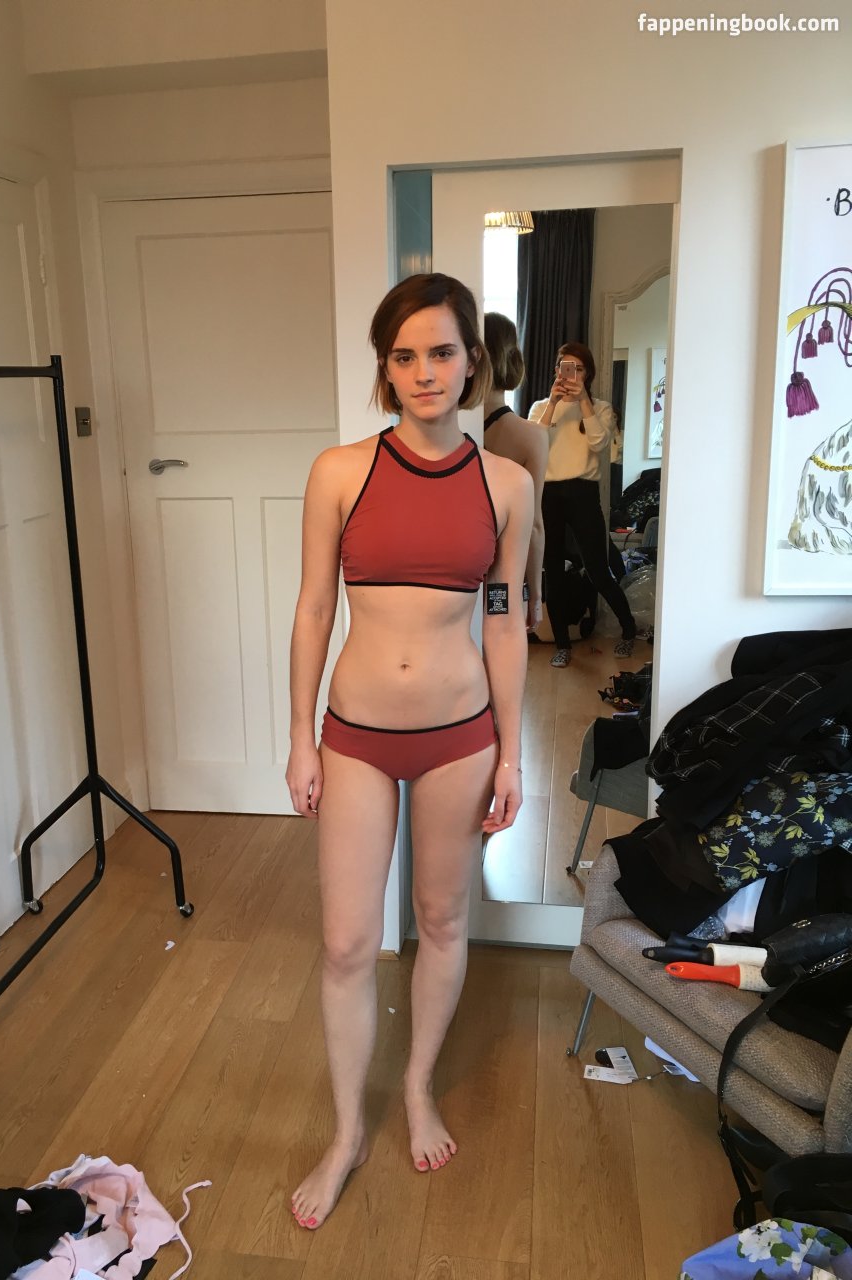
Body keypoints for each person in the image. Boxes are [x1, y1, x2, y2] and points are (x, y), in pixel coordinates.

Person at [285, 273, 534, 1230]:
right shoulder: (339, 471)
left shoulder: (506, 485)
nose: (424, 372)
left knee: (440, 920)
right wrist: (300, 738)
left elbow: (504, 619)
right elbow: (314, 609)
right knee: (347, 942)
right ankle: (348, 1129)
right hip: (353, 738)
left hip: (460, 739)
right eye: (404, 356)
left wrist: (511, 755)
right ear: (385, 369)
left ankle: (419, 1086)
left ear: (473, 362)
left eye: (441, 352)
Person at [528, 342, 637, 668]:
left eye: (577, 368)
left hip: (583, 492)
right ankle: (562, 644)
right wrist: (553, 403)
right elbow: (533, 444)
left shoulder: (600, 408)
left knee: (598, 570)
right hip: (548, 493)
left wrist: (584, 402)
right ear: (556, 371)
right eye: (565, 367)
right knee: (552, 571)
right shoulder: (540, 407)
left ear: (587, 373)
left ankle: (629, 629)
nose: (570, 374)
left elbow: (600, 443)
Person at [481, 312, 548, 636]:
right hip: (503, 576)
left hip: (453, 577)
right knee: (502, 658)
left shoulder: (446, 432)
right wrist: (536, 594)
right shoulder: (531, 437)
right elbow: (533, 525)